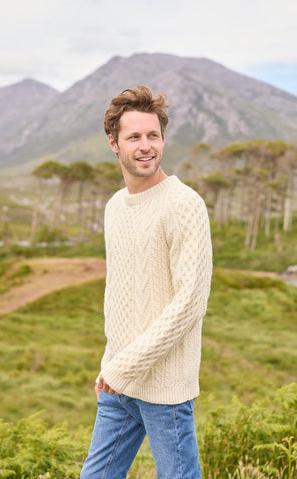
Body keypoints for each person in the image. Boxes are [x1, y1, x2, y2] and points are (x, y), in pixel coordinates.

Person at [80, 85, 212, 479]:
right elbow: (119, 295)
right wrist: (113, 364)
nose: (145, 146)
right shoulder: (115, 206)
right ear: (114, 144)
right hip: (118, 380)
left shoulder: (184, 204)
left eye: (152, 135)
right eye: (133, 137)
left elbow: (190, 302)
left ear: (163, 140)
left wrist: (124, 368)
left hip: (165, 388)